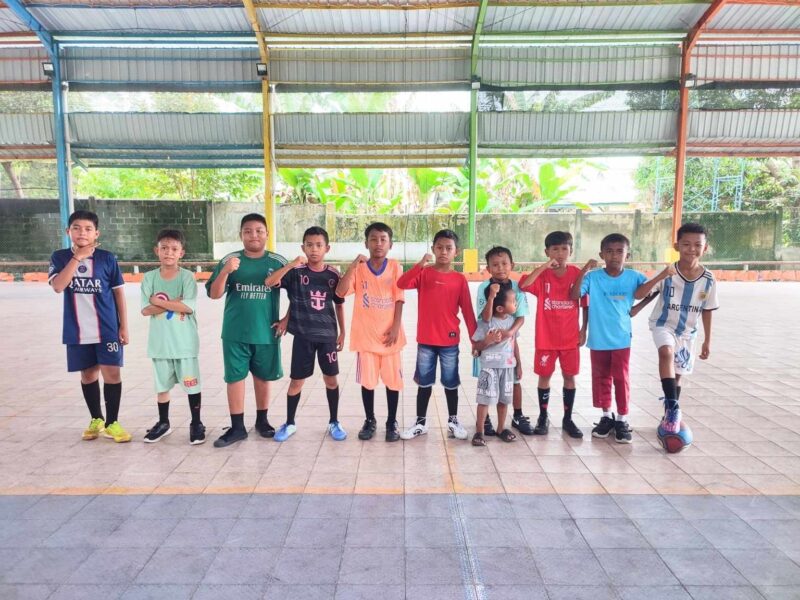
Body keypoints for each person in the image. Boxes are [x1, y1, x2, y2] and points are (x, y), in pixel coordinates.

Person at [48, 209, 131, 443]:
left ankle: (112, 422)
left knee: (112, 372)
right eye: (76, 228)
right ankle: (96, 418)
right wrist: (78, 257)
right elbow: (58, 286)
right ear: (68, 232)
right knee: (88, 373)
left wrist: (123, 326)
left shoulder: (107, 258)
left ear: (97, 233)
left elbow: (118, 295)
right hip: (77, 329)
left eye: (87, 229)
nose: (82, 232)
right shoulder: (60, 257)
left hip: (107, 328)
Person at [206, 213, 286, 448]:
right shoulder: (230, 260)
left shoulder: (278, 261)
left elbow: (297, 295)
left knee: (262, 377)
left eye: (259, 231)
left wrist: (287, 320)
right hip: (235, 333)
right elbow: (214, 294)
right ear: (240, 235)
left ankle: (262, 420)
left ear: (267, 234)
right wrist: (225, 272)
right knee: (235, 378)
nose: (254, 235)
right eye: (248, 231)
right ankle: (238, 427)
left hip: (266, 331)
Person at [633, 222, 719, 436]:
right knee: (666, 352)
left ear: (705, 248)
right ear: (676, 245)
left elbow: (707, 310)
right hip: (663, 325)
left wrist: (707, 340)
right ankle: (673, 406)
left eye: (697, 245)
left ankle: (669, 413)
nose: (692, 249)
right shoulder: (669, 273)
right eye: (686, 244)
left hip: (688, 332)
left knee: (678, 375)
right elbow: (639, 294)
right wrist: (662, 274)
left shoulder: (708, 279)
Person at [264, 226, 347, 442]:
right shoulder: (295, 273)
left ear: (327, 248)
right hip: (303, 337)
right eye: (309, 245)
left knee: (331, 379)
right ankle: (290, 423)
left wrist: (342, 331)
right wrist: (291, 264)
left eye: (319, 245)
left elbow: (339, 304)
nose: (314, 249)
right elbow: (270, 283)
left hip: (327, 337)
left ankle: (334, 422)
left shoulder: (333, 275)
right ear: (303, 247)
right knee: (296, 382)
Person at [397, 229, 477, 441]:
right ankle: (421, 422)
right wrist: (419, 264)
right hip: (426, 341)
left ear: (456, 252)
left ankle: (453, 420)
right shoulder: (424, 274)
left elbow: (468, 312)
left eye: (448, 248)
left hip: (450, 341)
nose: (443, 252)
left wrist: (475, 340)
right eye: (439, 248)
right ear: (433, 249)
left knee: (451, 383)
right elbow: (401, 284)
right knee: (424, 384)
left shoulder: (459, 279)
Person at [571, 233, 647, 444]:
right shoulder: (593, 277)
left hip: (622, 338)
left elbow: (652, 290)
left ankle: (622, 419)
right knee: (601, 378)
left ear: (627, 254)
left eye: (619, 251)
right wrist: (584, 270)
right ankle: (606, 417)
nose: (614, 256)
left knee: (621, 378)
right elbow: (575, 295)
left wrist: (637, 308)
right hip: (598, 338)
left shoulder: (635, 277)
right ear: (601, 254)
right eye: (610, 251)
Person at [336, 222, 406, 442]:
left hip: (389, 337)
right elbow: (339, 292)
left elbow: (399, 298)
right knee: (368, 382)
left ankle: (391, 421)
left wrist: (395, 327)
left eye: (383, 239)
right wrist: (352, 266)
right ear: (366, 243)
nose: (378, 243)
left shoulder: (395, 266)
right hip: (366, 337)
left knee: (393, 381)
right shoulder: (359, 268)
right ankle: (370, 420)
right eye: (374, 239)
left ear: (390, 244)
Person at [519, 231, 588, 439]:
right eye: (555, 249)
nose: (559, 253)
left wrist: (583, 329)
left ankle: (568, 419)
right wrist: (543, 267)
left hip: (569, 339)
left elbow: (585, 304)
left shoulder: (577, 273)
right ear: (547, 252)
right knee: (545, 377)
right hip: (546, 339)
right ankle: (543, 416)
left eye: (564, 249)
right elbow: (523, 285)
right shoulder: (543, 276)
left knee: (570, 377)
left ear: (571, 251)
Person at [140, 229, 205, 445]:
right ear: (156, 251)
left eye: (174, 249)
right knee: (162, 387)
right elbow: (145, 310)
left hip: (184, 344)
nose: (169, 252)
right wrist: (174, 303)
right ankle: (163, 422)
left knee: (192, 385)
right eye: (164, 248)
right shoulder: (149, 278)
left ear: (181, 253)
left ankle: (196, 423)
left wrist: (158, 302)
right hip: (160, 345)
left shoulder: (187, 277)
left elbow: (187, 307)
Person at [474, 247, 534, 436]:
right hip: (488, 343)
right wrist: (491, 296)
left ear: (512, 265)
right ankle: (485, 421)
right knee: (486, 383)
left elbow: (521, 316)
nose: (500, 268)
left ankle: (517, 415)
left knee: (513, 381)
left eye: (504, 263)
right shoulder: (484, 288)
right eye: (495, 265)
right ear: (488, 268)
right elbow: (485, 317)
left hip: (508, 346)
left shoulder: (517, 287)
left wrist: (510, 333)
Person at [471, 283, 521, 446]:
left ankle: (501, 428)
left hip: (507, 368)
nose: (516, 304)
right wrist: (488, 340)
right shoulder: (486, 323)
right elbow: (476, 347)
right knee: (484, 400)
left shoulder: (512, 322)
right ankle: (479, 431)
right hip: (489, 369)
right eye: (513, 301)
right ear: (500, 308)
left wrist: (518, 364)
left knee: (504, 400)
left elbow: (514, 344)